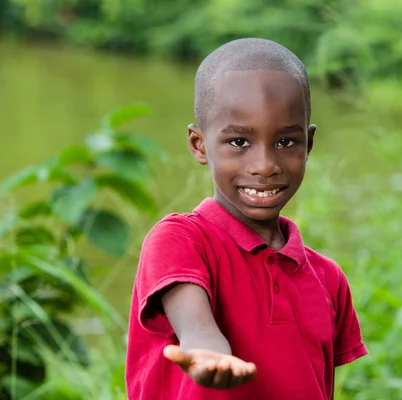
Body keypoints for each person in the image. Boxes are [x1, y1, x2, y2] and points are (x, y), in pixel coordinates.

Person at [125, 38, 368, 400]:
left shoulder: (328, 280)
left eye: (286, 142)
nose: (265, 165)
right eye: (239, 142)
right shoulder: (180, 240)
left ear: (309, 143)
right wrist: (208, 353)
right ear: (199, 145)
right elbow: (195, 326)